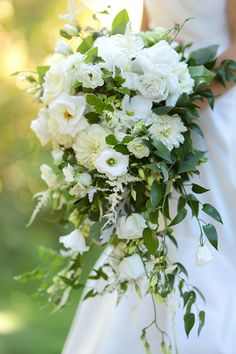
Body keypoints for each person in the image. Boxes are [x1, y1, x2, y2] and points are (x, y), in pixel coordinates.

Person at [63, 1, 236, 353]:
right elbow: (143, 33)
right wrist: (129, 90)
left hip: (213, 112)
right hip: (156, 115)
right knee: (156, 226)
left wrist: (185, 100)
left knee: (213, 225)